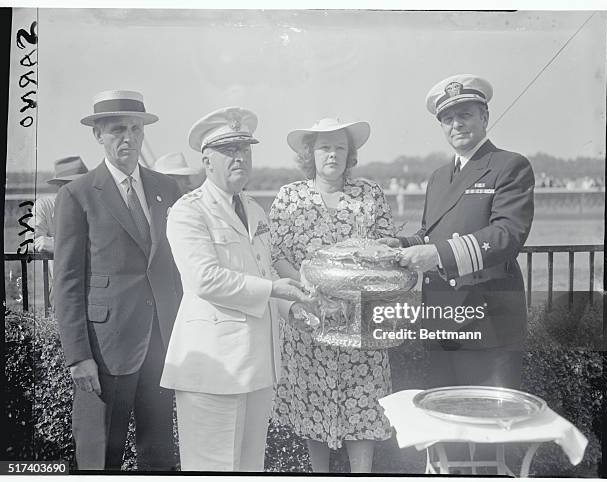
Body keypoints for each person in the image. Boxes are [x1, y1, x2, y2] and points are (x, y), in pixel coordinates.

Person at [160, 106, 313, 472]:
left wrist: (292, 310)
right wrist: (275, 287)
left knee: (249, 468)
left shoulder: (255, 210)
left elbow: (262, 274)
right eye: (229, 150)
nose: (239, 157)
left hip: (257, 366)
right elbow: (205, 279)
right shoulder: (189, 212)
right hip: (214, 370)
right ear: (206, 160)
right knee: (211, 468)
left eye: (245, 149)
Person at [53, 90, 182, 470]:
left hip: (161, 347)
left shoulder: (167, 189)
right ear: (98, 135)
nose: (128, 138)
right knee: (99, 456)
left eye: (135, 129)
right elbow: (67, 283)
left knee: (158, 455)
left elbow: (176, 270)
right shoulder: (77, 195)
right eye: (116, 130)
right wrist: (79, 357)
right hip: (105, 350)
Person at [384, 74, 535, 390]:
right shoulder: (439, 177)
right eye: (448, 118)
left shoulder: (509, 166)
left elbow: (508, 234)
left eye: (465, 114)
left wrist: (437, 254)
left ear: (484, 117)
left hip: (488, 321)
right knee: (446, 422)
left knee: (489, 428)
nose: (457, 124)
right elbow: (430, 234)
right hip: (442, 317)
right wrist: (395, 245)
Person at [270, 117, 396, 473]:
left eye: (340, 147)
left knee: (363, 403)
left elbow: (385, 252)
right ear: (311, 153)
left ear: (349, 154)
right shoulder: (289, 196)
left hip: (359, 323)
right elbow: (276, 253)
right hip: (310, 321)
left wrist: (354, 292)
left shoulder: (368, 194)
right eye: (325, 147)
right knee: (312, 404)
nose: (333, 155)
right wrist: (311, 294)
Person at [33, 156, 88, 307]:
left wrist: (56, 245)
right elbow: (29, 243)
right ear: (59, 186)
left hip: (99, 285)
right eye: (69, 185)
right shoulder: (45, 206)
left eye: (82, 184)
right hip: (64, 286)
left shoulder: (97, 206)